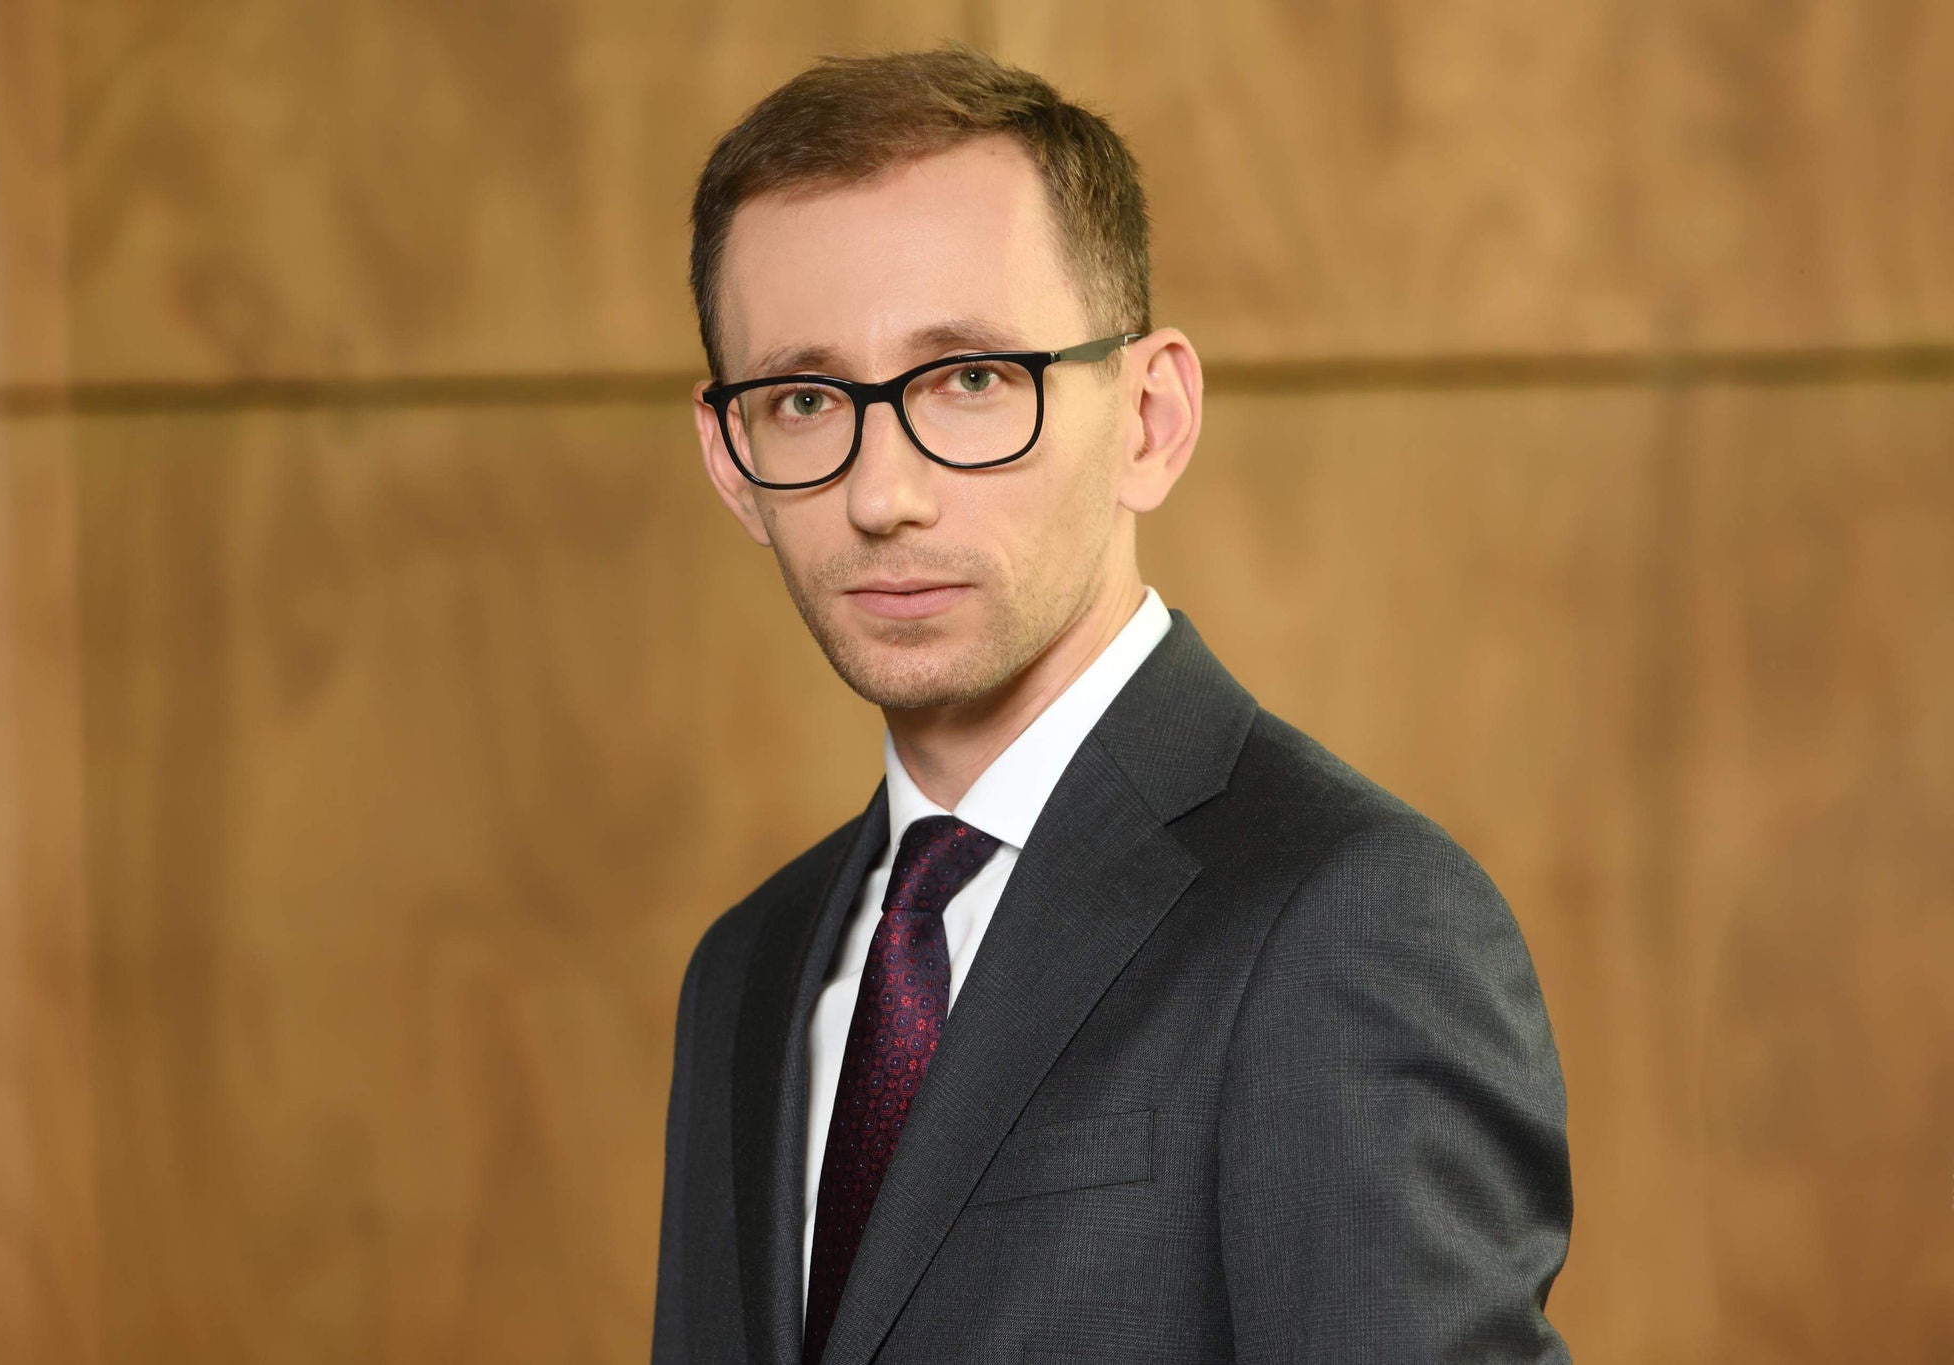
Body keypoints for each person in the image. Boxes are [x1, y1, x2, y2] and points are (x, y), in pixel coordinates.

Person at [652, 41, 1573, 1365]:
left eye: (972, 380)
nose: (882, 493)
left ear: (1150, 419)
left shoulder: (1351, 921)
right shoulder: (745, 973)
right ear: (732, 458)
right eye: (804, 398)